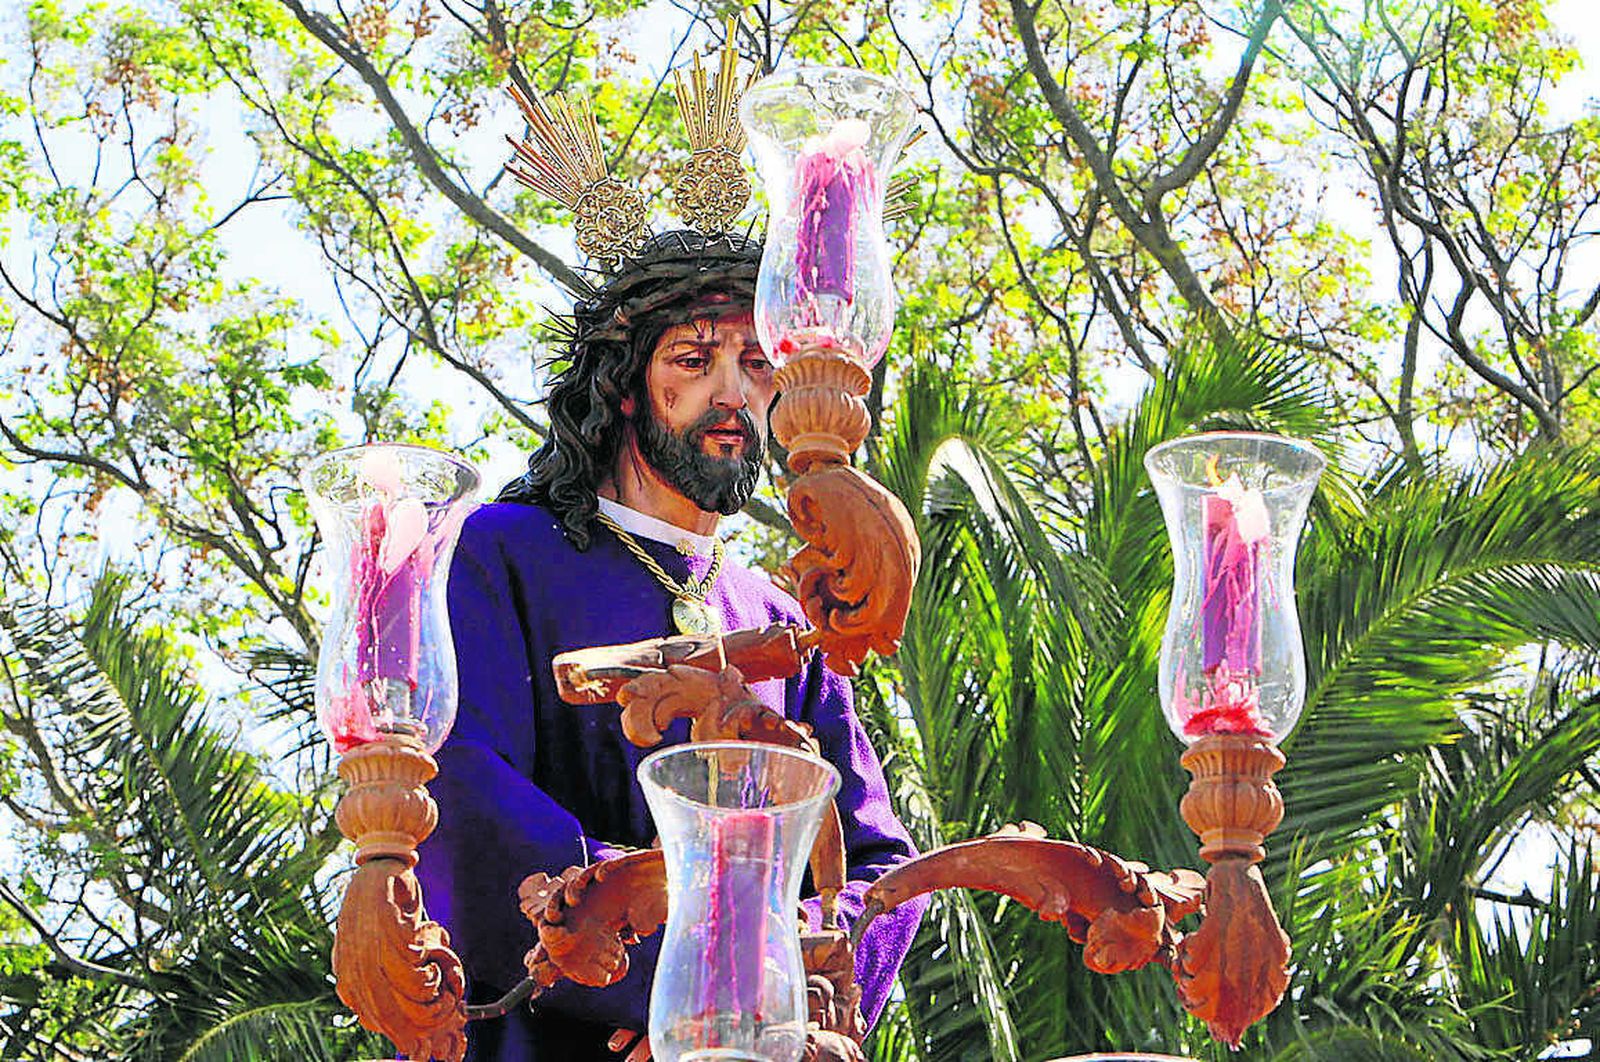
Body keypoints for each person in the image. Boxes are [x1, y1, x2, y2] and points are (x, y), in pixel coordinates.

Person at [415, 230, 927, 1061]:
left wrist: (772, 1001)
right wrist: (692, 977)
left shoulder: (776, 614)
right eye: (694, 361)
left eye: (757, 366)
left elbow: (878, 861)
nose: (732, 395)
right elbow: (463, 789)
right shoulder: (501, 553)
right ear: (624, 387)